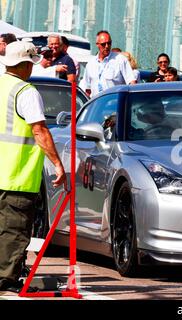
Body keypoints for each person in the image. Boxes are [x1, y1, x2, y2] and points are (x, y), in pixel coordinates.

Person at [0, 41, 66, 293]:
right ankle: (6, 279)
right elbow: (39, 129)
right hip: (15, 176)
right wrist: (58, 164)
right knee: (13, 232)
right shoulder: (25, 92)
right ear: (26, 64)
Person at [82, 30, 137, 98]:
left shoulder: (120, 60)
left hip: (114, 105)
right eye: (103, 44)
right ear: (97, 44)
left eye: (109, 43)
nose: (107, 46)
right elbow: (88, 89)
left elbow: (132, 83)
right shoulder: (91, 64)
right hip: (97, 104)